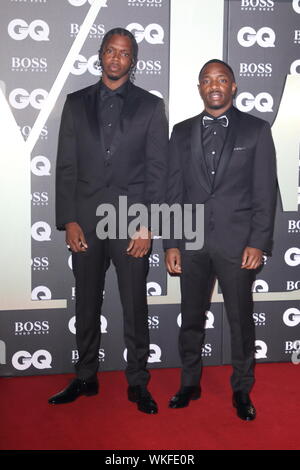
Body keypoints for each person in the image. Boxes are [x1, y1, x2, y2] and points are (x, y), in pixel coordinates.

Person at [49, 28, 168, 414]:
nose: (116, 58)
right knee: (85, 302)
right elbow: (66, 166)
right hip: (85, 219)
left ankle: (137, 382)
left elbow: (158, 170)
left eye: (124, 53)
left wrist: (148, 224)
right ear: (100, 55)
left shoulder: (150, 106)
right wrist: (68, 220)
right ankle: (85, 377)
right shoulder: (75, 103)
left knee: (135, 305)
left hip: (132, 221)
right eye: (110, 51)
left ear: (133, 61)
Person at [164, 59, 277, 420]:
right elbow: (173, 192)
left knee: (240, 320)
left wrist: (258, 242)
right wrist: (171, 242)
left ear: (233, 87)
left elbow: (265, 191)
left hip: (238, 243)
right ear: (199, 88)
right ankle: (189, 382)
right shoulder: (180, 132)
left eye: (222, 79)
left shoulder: (256, 130)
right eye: (207, 80)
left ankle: (242, 389)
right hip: (192, 241)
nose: (214, 85)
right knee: (191, 317)